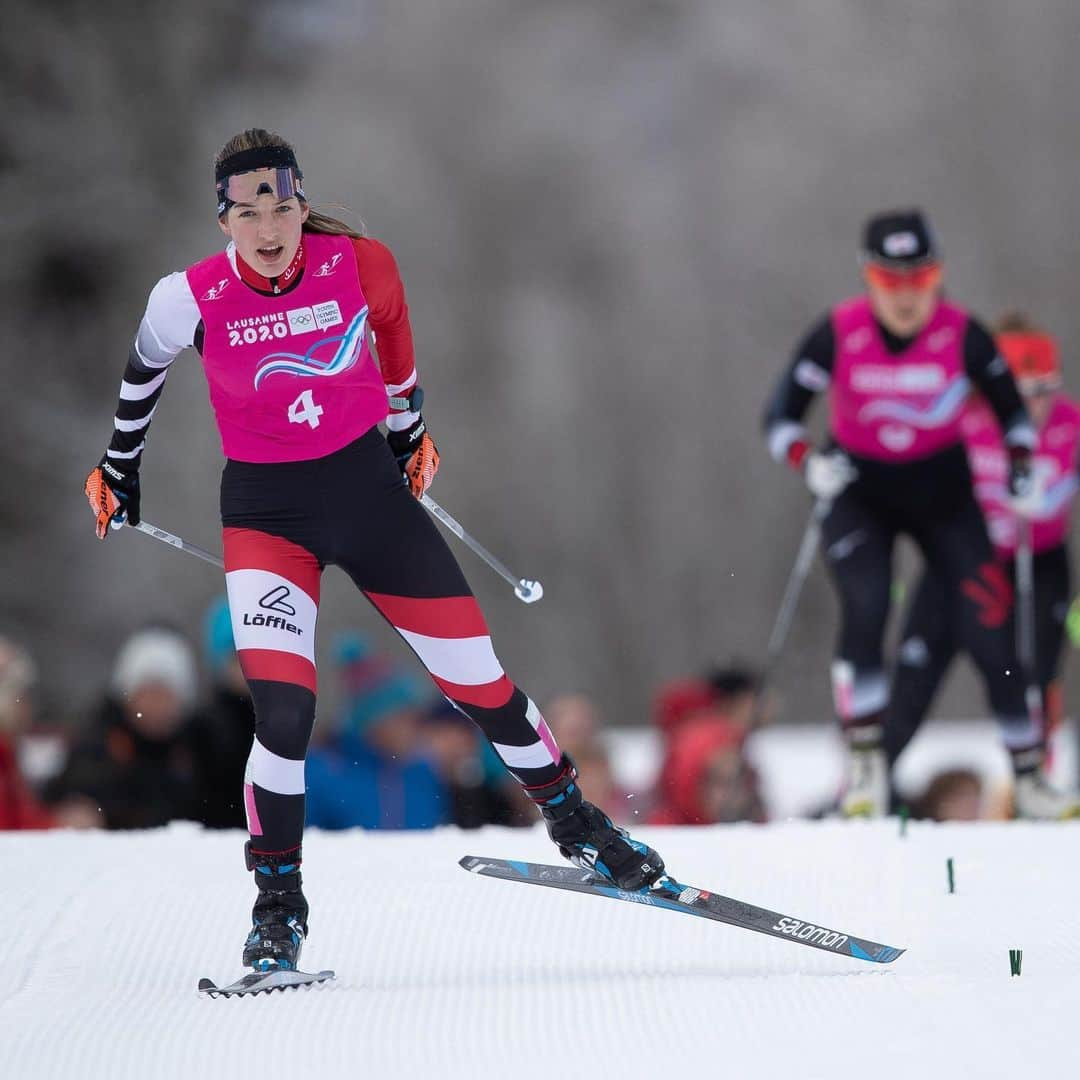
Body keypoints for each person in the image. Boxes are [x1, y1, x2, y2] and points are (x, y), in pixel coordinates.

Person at [83, 129, 664, 975]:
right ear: (225, 221)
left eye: (282, 206)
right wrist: (118, 465)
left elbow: (395, 348)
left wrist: (410, 432)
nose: (269, 227)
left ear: (301, 202)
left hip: (370, 501)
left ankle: (581, 824)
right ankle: (277, 907)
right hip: (265, 518)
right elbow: (143, 372)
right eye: (249, 212)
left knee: (480, 683)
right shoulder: (189, 296)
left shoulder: (359, 263)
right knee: (283, 716)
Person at [762, 209, 1073, 818]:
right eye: (890, 280)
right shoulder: (839, 332)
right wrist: (806, 460)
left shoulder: (962, 334)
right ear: (869, 278)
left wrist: (1018, 465)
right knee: (868, 603)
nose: (905, 295)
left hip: (943, 496)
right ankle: (865, 768)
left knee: (992, 630)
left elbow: (1013, 413)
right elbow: (779, 416)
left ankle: (1031, 777)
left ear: (938, 276)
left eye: (918, 277)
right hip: (860, 492)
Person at [886, 317, 1080, 809]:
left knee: (1034, 676)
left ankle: (1035, 786)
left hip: (1039, 563)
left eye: (1045, 390)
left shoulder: (1069, 426)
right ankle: (869, 786)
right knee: (915, 677)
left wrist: (1050, 492)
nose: (1034, 404)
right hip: (963, 563)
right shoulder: (965, 420)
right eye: (1021, 390)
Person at [45, 626, 204, 828]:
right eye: (148, 692)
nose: (157, 704)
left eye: (166, 694)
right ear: (128, 695)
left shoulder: (198, 748)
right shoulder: (96, 747)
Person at [304, 633, 448, 830]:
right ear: (373, 722)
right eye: (402, 717)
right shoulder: (321, 772)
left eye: (415, 717)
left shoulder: (422, 773)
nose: (414, 727)